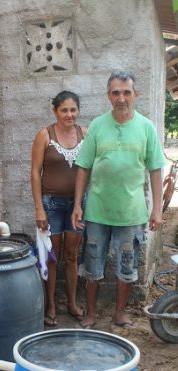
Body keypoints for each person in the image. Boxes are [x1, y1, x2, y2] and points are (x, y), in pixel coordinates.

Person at [71, 71, 165, 329]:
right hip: (97, 211)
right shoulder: (98, 126)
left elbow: (156, 169)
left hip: (131, 213)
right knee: (92, 267)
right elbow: (83, 167)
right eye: (115, 92)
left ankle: (119, 314)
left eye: (126, 92)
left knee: (127, 267)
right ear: (108, 96)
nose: (121, 98)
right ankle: (90, 314)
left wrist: (156, 209)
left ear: (136, 95)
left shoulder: (146, 127)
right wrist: (78, 204)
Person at [31, 90, 86, 327]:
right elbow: (35, 172)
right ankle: (51, 305)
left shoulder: (86, 133)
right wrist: (38, 209)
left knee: (72, 255)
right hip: (50, 204)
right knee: (52, 257)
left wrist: (80, 203)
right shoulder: (45, 135)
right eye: (64, 110)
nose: (69, 114)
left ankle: (72, 303)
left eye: (73, 109)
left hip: (77, 205)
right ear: (55, 111)